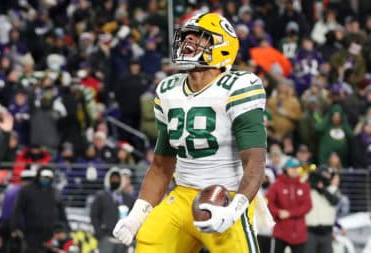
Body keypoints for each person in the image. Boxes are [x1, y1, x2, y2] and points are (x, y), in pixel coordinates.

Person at [113, 12, 268, 252]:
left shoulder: (239, 87)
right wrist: (134, 218)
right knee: (149, 237)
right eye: (186, 38)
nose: (187, 45)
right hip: (182, 195)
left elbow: (255, 161)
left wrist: (235, 209)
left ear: (222, 47)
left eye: (198, 39)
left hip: (225, 195)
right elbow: (162, 165)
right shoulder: (168, 90)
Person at [10, 166, 70, 253]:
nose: (46, 180)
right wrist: (14, 227)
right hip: (31, 231)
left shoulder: (54, 192)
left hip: (51, 232)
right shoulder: (26, 190)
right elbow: (17, 210)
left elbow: (62, 212)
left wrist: (67, 228)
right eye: (44, 177)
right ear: (38, 176)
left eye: (48, 178)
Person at [266, 157, 312, 253]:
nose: (295, 170)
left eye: (296, 167)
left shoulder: (304, 185)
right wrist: (278, 212)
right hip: (280, 230)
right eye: (292, 167)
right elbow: (268, 203)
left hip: (299, 232)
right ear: (286, 168)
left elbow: (307, 206)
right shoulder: (276, 184)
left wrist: (290, 213)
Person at [90, 167, 135, 253]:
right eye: (113, 178)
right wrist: (99, 234)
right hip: (106, 238)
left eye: (117, 178)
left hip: (123, 240)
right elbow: (94, 216)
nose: (115, 180)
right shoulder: (101, 196)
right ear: (108, 179)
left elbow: (133, 217)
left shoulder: (128, 198)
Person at [0, 170, 36, 253]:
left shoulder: (10, 190)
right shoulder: (26, 192)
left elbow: (4, 209)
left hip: (5, 224)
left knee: (5, 247)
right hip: (17, 226)